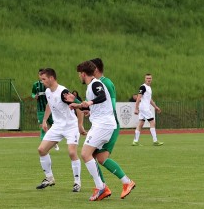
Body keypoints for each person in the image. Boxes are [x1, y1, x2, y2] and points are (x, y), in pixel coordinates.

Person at [68, 60, 135, 201]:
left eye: (79, 74)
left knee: (85, 154)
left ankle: (101, 187)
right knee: (101, 158)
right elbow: (99, 104)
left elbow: (102, 97)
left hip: (103, 125)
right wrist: (80, 106)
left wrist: (90, 103)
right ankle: (126, 182)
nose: (79, 77)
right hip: (103, 124)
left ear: (84, 74)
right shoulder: (92, 85)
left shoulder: (95, 84)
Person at [87, 57, 136, 198]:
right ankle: (104, 187)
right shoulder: (95, 84)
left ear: (95, 69)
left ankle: (120, 183)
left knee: (98, 157)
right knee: (94, 156)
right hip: (103, 124)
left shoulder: (105, 83)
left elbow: (111, 105)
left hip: (110, 125)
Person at [35, 68, 86, 192]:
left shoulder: (63, 92)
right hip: (57, 126)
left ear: (51, 78)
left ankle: (77, 182)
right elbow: (49, 105)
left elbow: (78, 107)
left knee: (72, 153)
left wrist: (80, 125)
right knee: (42, 150)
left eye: (44, 79)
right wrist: (44, 120)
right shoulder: (48, 91)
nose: (42, 82)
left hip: (70, 126)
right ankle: (49, 178)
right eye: (41, 79)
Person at [132, 73, 163, 146]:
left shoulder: (149, 88)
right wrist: (136, 108)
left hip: (143, 108)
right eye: (147, 78)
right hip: (144, 108)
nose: (149, 79)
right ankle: (155, 141)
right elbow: (138, 98)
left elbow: (149, 99)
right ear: (145, 79)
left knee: (140, 124)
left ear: (152, 79)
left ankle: (135, 141)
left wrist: (155, 107)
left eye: (150, 78)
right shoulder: (143, 87)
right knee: (152, 122)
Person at [31, 69, 58, 150]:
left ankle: (53, 141)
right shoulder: (36, 84)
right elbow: (32, 93)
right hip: (41, 110)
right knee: (43, 127)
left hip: (51, 110)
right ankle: (44, 145)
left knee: (55, 125)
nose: (41, 77)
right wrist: (34, 96)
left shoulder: (49, 86)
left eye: (43, 76)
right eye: (40, 75)